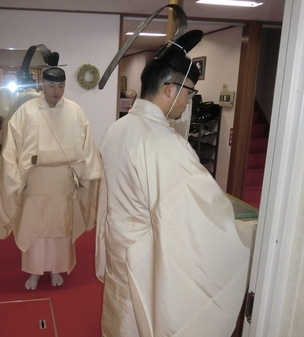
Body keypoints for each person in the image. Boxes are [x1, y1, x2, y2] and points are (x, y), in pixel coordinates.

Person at [95, 30, 250, 336]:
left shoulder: (119, 128)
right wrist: (245, 232)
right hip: (144, 254)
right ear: (169, 89)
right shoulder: (163, 143)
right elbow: (193, 215)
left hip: (119, 244)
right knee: (140, 321)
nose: (188, 100)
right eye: (189, 92)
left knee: (121, 317)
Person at [0, 66, 102, 290]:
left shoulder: (75, 111)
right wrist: (16, 178)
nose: (56, 91)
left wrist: (86, 174)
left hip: (63, 180)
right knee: (35, 227)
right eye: (52, 85)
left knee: (60, 228)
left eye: (61, 86)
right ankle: (34, 272)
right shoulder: (26, 112)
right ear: (42, 84)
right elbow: (12, 150)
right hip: (36, 181)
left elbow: (87, 147)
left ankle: (56, 269)